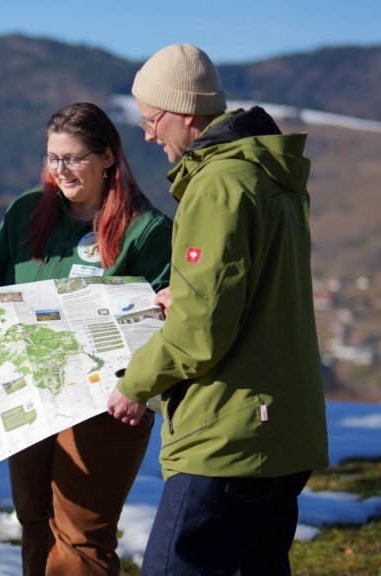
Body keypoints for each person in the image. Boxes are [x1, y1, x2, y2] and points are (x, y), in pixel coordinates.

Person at [107, 44, 329, 575]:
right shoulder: (272, 177)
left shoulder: (218, 185)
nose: (146, 134)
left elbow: (199, 331)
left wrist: (135, 383)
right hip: (282, 433)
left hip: (226, 439)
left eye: (151, 120)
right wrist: (184, 294)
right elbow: (253, 293)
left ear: (185, 115)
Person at [0, 102, 172, 575]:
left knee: (81, 537)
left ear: (108, 158)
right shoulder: (25, 214)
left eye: (74, 158)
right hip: (30, 394)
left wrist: (141, 385)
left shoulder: (146, 229)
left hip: (105, 404)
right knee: (34, 519)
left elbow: (168, 320)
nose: (61, 170)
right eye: (53, 158)